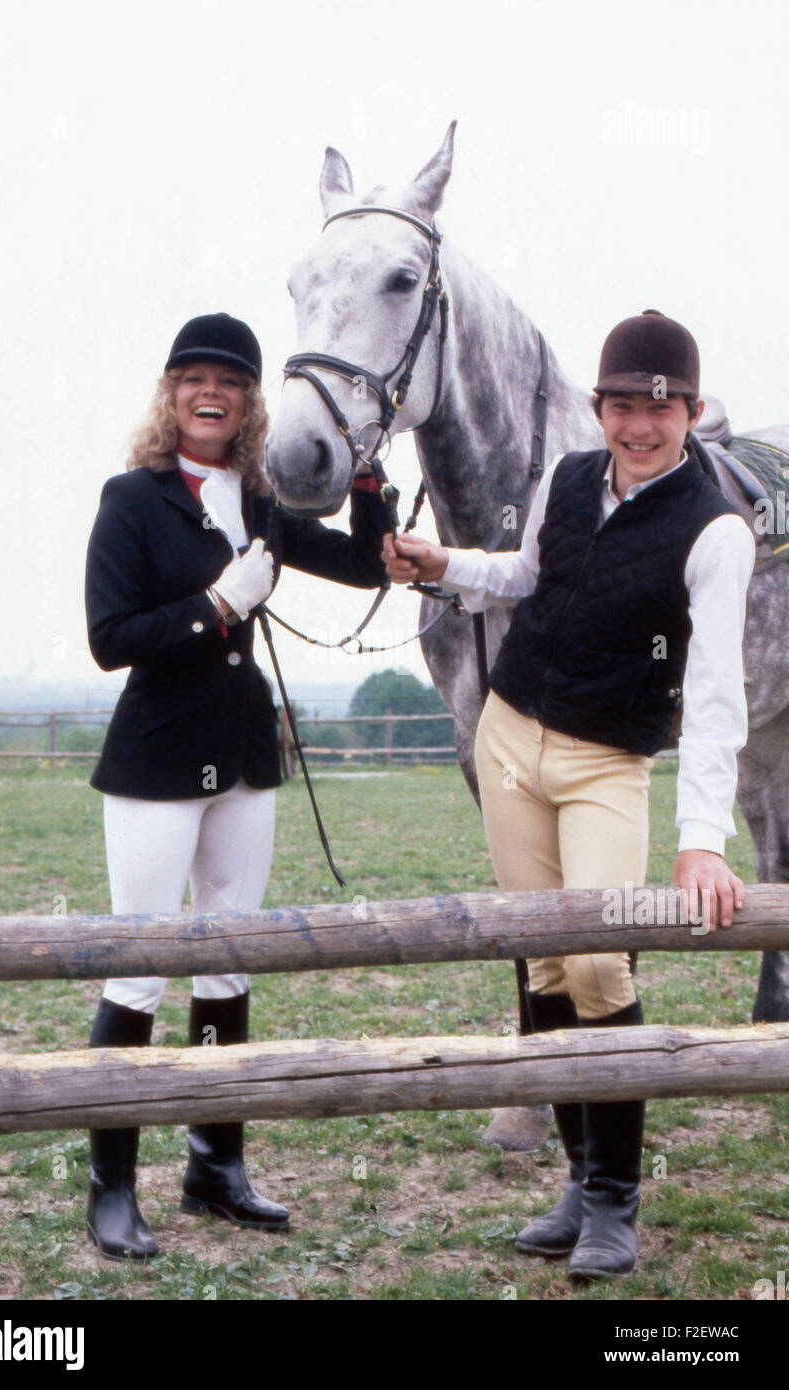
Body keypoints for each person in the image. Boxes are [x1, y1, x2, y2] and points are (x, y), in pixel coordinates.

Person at [382, 310, 754, 1281]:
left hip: (604, 763)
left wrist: (703, 838)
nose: (638, 424)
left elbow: (716, 693)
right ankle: (580, 1181)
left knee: (598, 965)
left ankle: (616, 1202)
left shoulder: (715, 530)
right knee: (542, 961)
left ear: (692, 411)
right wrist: (446, 566)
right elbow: (527, 575)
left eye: (659, 406)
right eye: (621, 404)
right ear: (597, 408)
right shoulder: (566, 477)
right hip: (508, 739)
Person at [84, 311, 389, 1260]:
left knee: (229, 963)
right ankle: (112, 1184)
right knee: (140, 965)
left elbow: (359, 562)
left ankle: (216, 1161)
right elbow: (110, 638)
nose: (210, 394)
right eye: (193, 379)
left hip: (244, 756)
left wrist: (370, 475)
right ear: (171, 393)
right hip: (156, 759)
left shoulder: (258, 502)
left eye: (230, 381)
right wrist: (216, 607)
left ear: (251, 401)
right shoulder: (131, 499)